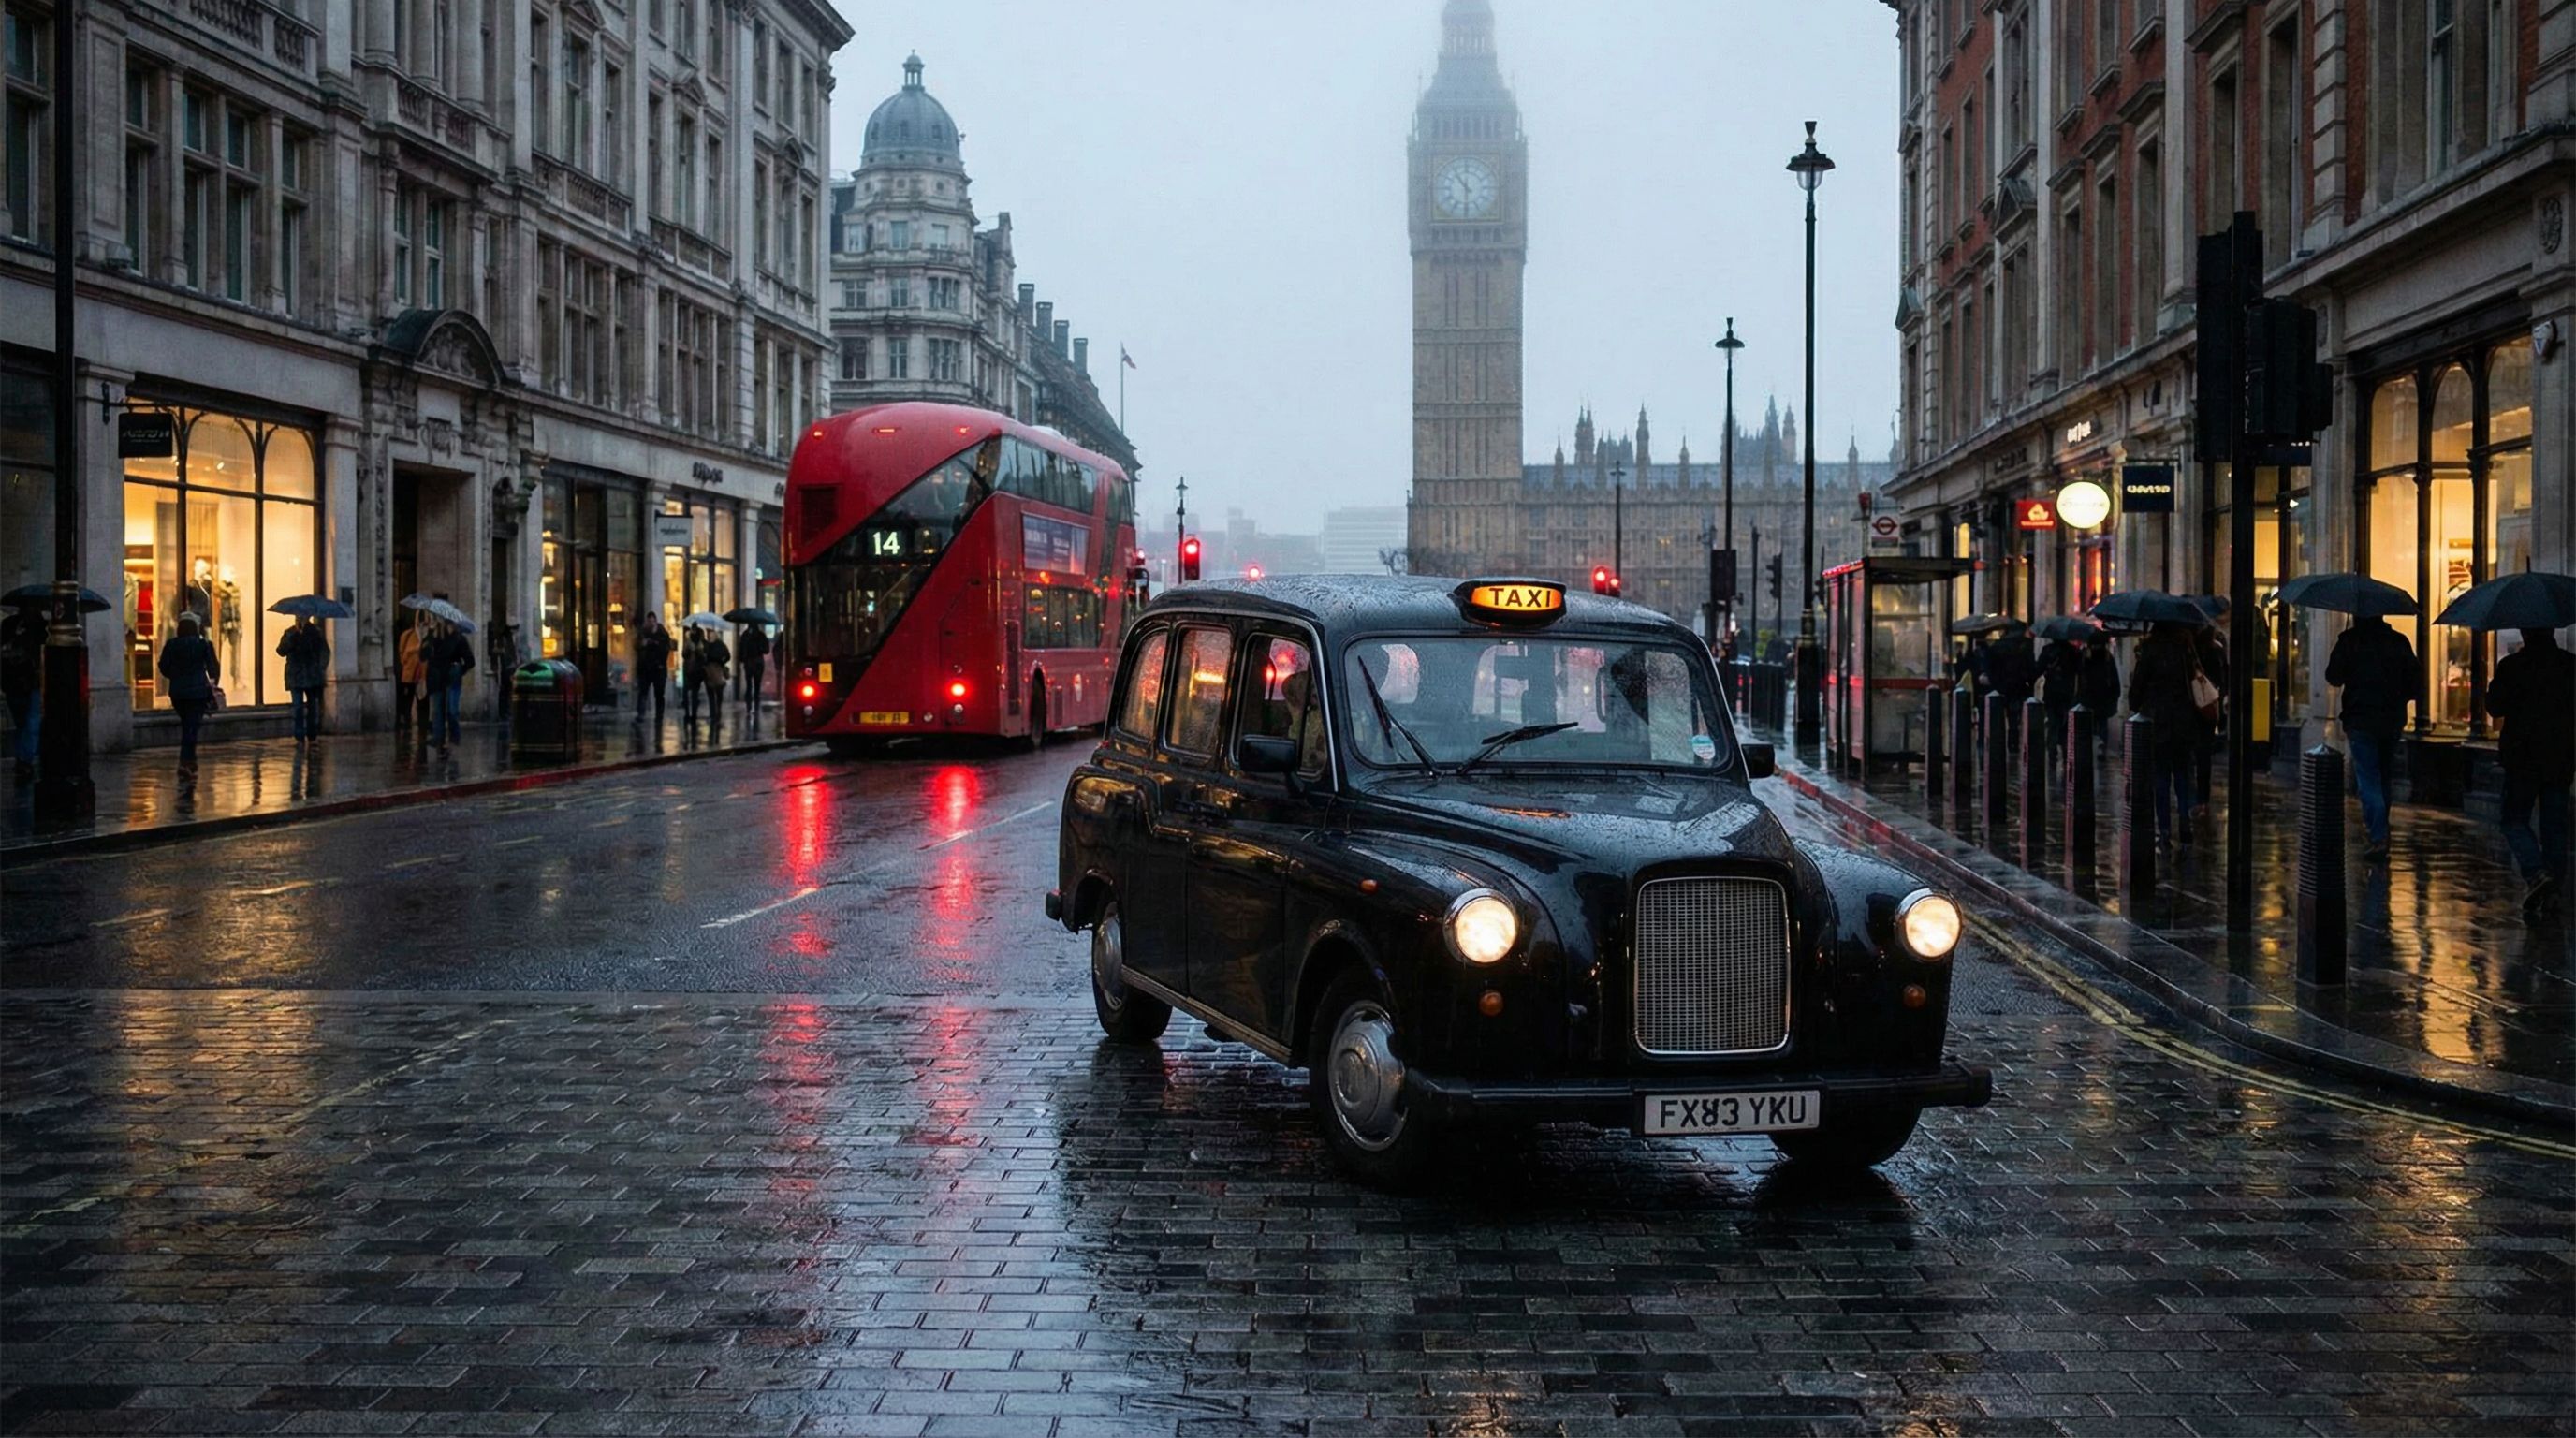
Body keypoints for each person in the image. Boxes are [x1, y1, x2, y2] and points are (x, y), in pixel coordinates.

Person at [2486, 626, 2573, 916]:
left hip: (2522, 756)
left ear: (2524, 633)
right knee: (2555, 825)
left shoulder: (2512, 666)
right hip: (2560, 755)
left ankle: (2536, 872)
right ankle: (2554, 891)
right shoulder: (2569, 665)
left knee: (2513, 819)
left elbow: (2494, 707)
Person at [2323, 613, 2418, 859]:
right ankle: (2381, 830)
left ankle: (2378, 835)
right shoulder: (2399, 641)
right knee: (2383, 775)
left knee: (2368, 779)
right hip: (2391, 719)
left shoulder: (2351, 641)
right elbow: (2415, 682)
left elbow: (2333, 676)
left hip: (2361, 719)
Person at [2129, 621, 2212, 845]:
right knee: (2183, 775)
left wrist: (2137, 704)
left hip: (2159, 724)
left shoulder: (2150, 652)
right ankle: (2184, 820)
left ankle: (2164, 829)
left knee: (2161, 777)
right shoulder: (2185, 650)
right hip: (2184, 723)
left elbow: (2136, 691)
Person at [156, 611, 221, 780]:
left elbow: (163, 667)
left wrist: (175, 676)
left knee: (188, 725)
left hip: (178, 692)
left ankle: (190, 761)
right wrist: (213, 683)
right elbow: (213, 667)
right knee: (191, 728)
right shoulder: (203, 644)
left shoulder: (171, 645)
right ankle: (185, 762)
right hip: (197, 691)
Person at [276, 613, 330, 743]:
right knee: (298, 706)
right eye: (297, 618)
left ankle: (312, 734)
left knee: (312, 706)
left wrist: (320, 667)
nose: (299, 620)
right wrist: (294, 635)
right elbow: (281, 651)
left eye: (301, 618)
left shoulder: (316, 633)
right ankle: (299, 735)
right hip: (296, 675)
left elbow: (324, 652)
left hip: (312, 675)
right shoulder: (290, 633)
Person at [2, 604, 42, 778]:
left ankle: (25, 759)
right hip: (13, 680)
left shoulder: (42, 627)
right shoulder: (10, 624)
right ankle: (22, 756)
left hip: (32, 680)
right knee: (22, 723)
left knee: (31, 723)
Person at [422, 621, 475, 752]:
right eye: (447, 623)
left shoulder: (460, 639)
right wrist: (428, 633)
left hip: (452, 678)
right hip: (437, 678)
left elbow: (470, 661)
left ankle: (454, 738)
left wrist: (459, 669)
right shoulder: (436, 638)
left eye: (451, 624)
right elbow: (423, 655)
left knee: (452, 709)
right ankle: (438, 737)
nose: (449, 626)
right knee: (437, 710)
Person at [2038, 638, 2081, 752]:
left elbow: (2038, 669)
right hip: (2067, 692)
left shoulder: (2047, 650)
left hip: (2051, 692)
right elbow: (2079, 670)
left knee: (2052, 721)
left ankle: (2052, 750)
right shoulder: (2073, 652)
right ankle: (2065, 748)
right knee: (2065, 721)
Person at [2078, 638, 2121, 751]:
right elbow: (2114, 679)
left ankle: (2092, 747)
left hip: (2090, 698)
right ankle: (2101, 748)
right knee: (2102, 724)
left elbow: (2081, 678)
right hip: (2103, 697)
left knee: (2091, 725)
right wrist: (2115, 695)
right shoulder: (2107, 659)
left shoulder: (2086, 659)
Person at [634, 613, 673, 726]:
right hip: (646, 669)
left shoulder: (662, 634)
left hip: (658, 669)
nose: (651, 624)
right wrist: (643, 644)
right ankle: (641, 714)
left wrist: (656, 645)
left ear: (656, 621)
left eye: (652, 621)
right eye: (649, 621)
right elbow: (636, 646)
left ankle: (659, 716)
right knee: (643, 692)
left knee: (659, 694)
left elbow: (666, 649)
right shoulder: (643, 632)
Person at [698, 629, 733, 739]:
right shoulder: (706, 645)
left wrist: (721, 662)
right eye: (708, 634)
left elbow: (728, 656)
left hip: (717, 671)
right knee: (711, 694)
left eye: (711, 634)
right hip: (709, 672)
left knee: (718, 693)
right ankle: (713, 714)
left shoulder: (720, 645)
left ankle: (717, 713)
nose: (709, 636)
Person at [396, 615, 424, 731]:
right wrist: (416, 648)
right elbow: (403, 653)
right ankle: (406, 719)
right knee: (407, 698)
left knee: (422, 699)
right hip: (409, 673)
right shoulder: (407, 635)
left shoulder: (426, 636)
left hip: (423, 673)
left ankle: (422, 722)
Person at [737, 622, 770, 714]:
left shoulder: (745, 635)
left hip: (749, 663)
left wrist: (742, 659)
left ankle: (750, 707)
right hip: (758, 662)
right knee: (756, 686)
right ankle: (755, 707)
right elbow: (766, 650)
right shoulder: (761, 635)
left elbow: (741, 649)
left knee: (749, 685)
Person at [681, 625, 705, 726]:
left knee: (694, 694)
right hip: (688, 670)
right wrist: (688, 649)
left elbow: (703, 657)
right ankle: (688, 713)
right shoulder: (688, 642)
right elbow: (684, 655)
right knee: (686, 693)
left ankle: (693, 714)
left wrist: (698, 650)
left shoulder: (701, 643)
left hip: (696, 671)